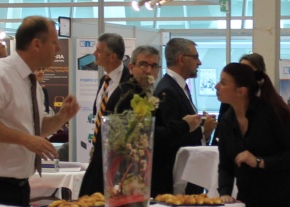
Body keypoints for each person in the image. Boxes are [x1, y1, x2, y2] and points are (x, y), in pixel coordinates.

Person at [0, 16, 79, 206]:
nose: (58, 49)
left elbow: (35, 129)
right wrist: (27, 140)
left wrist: (62, 117)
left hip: (19, 187)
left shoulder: (32, 83)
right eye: (54, 42)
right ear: (36, 44)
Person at [215, 62, 290, 207]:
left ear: (241, 91)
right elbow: (225, 165)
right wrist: (225, 193)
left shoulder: (272, 112)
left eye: (223, 82)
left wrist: (260, 162)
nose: (216, 86)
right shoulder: (226, 121)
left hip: (281, 203)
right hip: (247, 203)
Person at [78, 46, 162, 197]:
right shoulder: (127, 93)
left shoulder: (146, 94)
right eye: (143, 64)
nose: (148, 70)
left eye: (154, 66)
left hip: (129, 170)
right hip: (114, 172)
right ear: (131, 68)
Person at [152, 37, 216, 195]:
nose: (199, 62)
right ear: (181, 59)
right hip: (175, 179)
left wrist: (203, 128)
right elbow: (170, 136)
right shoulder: (168, 91)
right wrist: (202, 131)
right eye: (195, 57)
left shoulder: (178, 87)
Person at [85, 32, 127, 158]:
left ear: (112, 57)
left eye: (99, 50)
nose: (94, 53)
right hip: (99, 149)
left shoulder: (129, 83)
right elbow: (98, 113)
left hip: (118, 153)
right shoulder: (104, 80)